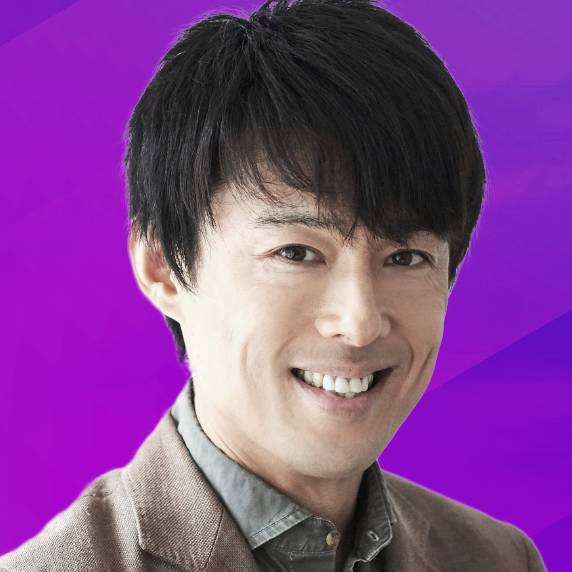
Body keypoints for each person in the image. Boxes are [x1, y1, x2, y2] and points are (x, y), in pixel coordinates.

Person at [0, 0, 547, 570]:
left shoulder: (497, 558)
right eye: (297, 253)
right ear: (163, 266)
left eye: (405, 257)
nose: (360, 322)